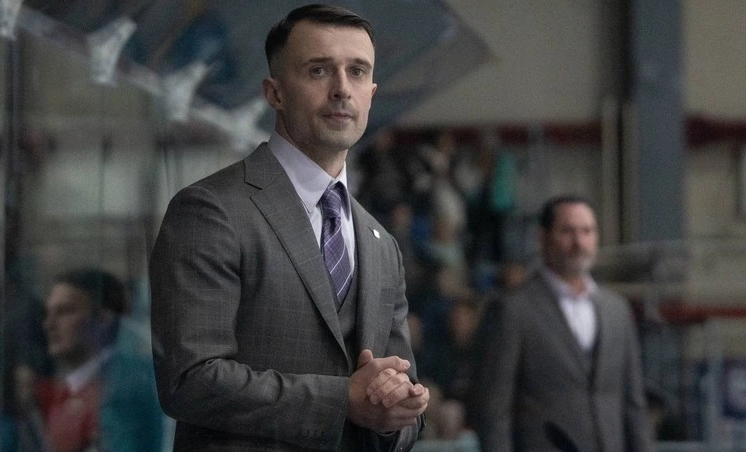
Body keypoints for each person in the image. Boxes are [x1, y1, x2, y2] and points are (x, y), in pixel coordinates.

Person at [149, 4, 429, 451]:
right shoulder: (210, 211)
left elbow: (403, 410)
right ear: (274, 93)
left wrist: (397, 413)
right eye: (319, 70)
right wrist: (343, 401)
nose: (342, 89)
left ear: (372, 93)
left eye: (357, 72)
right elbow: (190, 380)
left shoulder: (381, 243)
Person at [470, 195, 653, 451]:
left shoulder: (617, 310)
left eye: (587, 231)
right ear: (543, 237)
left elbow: (634, 405)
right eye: (567, 231)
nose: (579, 242)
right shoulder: (511, 309)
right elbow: (493, 407)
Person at [37, 269, 163, 451]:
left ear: (104, 319)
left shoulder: (124, 385)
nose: (49, 324)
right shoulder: (77, 386)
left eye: (65, 311)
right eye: (48, 312)